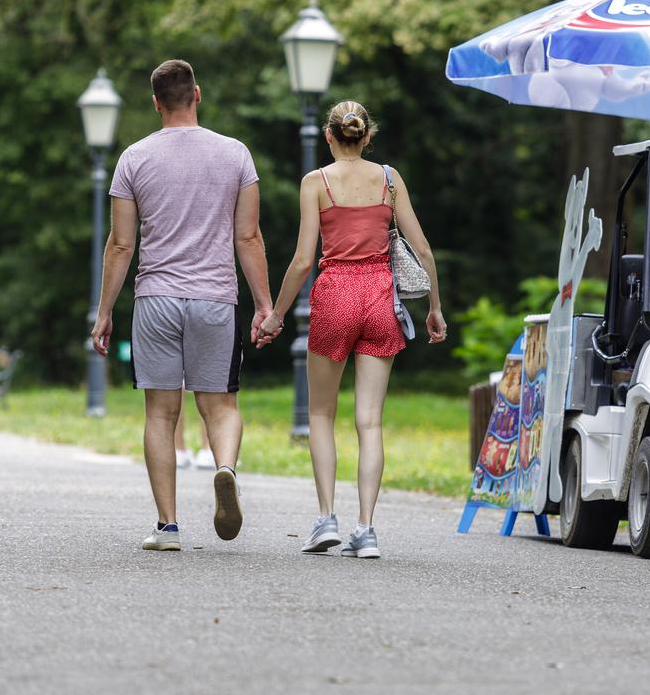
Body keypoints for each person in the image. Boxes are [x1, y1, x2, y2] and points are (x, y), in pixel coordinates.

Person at [91, 59, 272, 552]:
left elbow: (121, 245)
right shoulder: (235, 154)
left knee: (160, 415)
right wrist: (264, 304)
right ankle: (225, 469)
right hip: (216, 298)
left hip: (156, 300)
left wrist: (105, 310)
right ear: (198, 94)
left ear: (155, 102)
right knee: (220, 406)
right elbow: (248, 236)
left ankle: (168, 526)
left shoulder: (133, 158)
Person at [257, 101, 445, 559]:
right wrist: (435, 308)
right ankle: (366, 529)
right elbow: (422, 249)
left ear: (328, 136)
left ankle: (326, 520)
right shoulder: (388, 179)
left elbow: (303, 261)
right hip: (381, 297)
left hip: (336, 296)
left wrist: (276, 316)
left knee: (321, 415)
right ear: (367, 137)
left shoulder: (315, 183)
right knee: (370, 421)